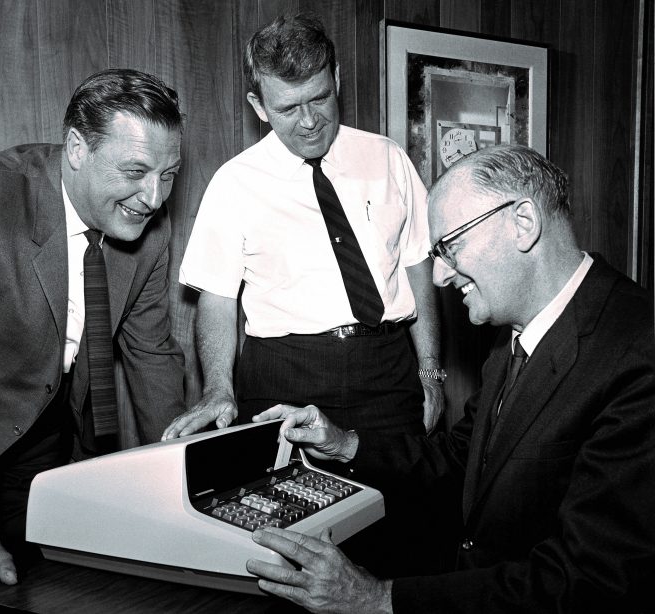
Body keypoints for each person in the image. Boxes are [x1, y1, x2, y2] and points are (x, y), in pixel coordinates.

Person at [247, 144, 655, 613]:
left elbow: (592, 582)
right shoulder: (513, 336)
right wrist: (345, 444)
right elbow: (463, 458)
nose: (438, 276)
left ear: (523, 223)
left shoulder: (636, 353)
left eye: (450, 245)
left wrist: (379, 599)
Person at [0, 68, 186, 614]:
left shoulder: (150, 230)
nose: (155, 197)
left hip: (39, 430)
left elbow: (154, 358)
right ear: (77, 148)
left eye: (169, 174)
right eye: (137, 171)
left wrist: (183, 489)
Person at [165, 12, 443, 456]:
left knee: (403, 506)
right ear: (258, 106)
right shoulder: (234, 183)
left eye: (319, 98)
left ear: (336, 78)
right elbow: (216, 300)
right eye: (288, 108)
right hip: (283, 378)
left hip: (388, 372)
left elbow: (417, 267)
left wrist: (430, 371)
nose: (310, 120)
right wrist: (219, 388)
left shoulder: (388, 160)